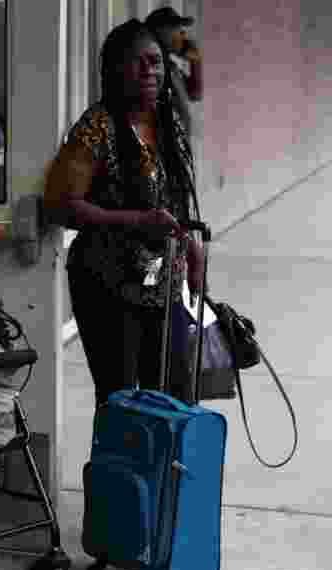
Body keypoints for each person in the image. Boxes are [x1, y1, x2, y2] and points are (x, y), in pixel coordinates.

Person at [43, 19, 204, 409]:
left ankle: (165, 472)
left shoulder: (169, 125)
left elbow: (177, 202)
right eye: (138, 62)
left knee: (174, 395)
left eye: (156, 62)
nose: (150, 71)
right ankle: (117, 471)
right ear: (115, 69)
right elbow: (62, 205)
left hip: (164, 283)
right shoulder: (96, 127)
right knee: (119, 400)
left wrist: (193, 250)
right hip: (106, 284)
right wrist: (136, 220)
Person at [145, 6, 201, 139]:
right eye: (179, 30)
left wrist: (196, 62)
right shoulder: (150, 68)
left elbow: (195, 93)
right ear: (163, 33)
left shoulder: (171, 67)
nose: (184, 35)